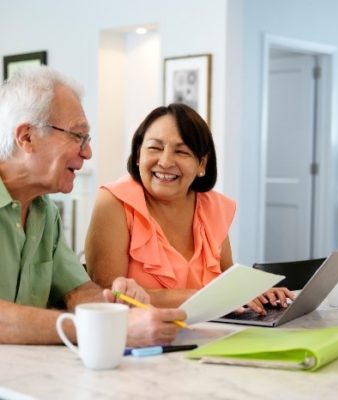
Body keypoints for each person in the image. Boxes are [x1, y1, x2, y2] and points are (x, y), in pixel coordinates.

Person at [0, 66, 185, 346]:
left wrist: (116, 306)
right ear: (26, 137)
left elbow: (79, 291)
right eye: (78, 136)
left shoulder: (44, 211)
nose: (88, 152)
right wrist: (107, 329)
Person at [85, 103, 294, 313]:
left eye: (182, 151)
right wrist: (208, 297)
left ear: (202, 164)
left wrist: (254, 292)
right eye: (155, 148)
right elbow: (108, 293)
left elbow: (227, 281)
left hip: (216, 332)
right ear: (139, 153)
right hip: (146, 337)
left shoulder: (212, 207)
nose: (166, 162)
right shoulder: (113, 202)